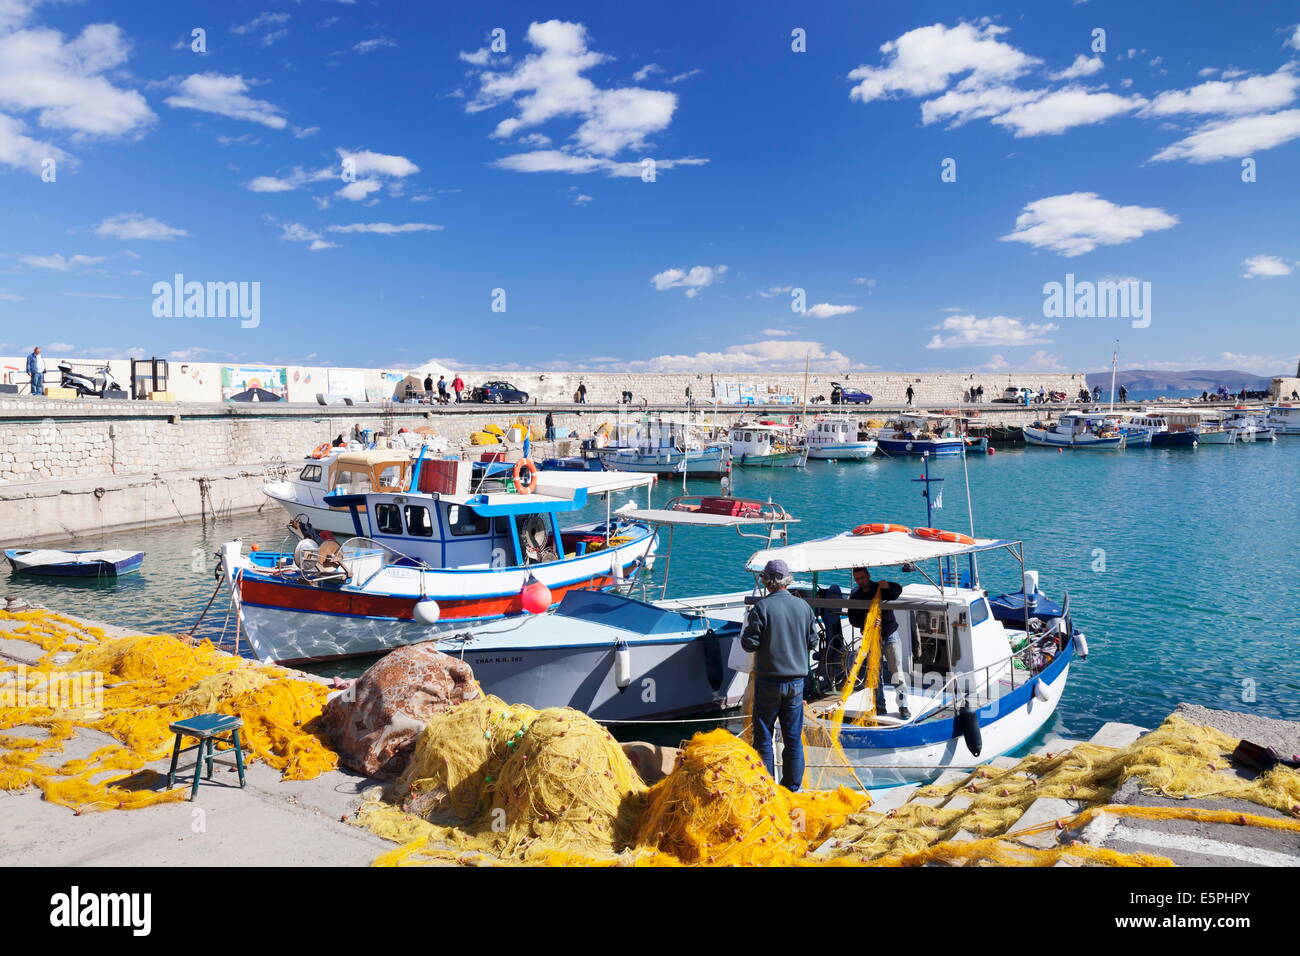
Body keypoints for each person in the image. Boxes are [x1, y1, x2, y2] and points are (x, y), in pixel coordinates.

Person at [740, 559, 818, 791]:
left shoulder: (761, 608)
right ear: (787, 580)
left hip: (769, 681)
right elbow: (813, 641)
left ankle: (766, 789)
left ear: (767, 581)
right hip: (796, 683)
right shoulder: (804, 607)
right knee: (793, 739)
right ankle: (791, 788)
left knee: (764, 737)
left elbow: (749, 645)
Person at [848, 567, 909, 718]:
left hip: (889, 635)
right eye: (857, 579)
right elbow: (853, 619)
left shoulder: (880, 588)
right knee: (874, 673)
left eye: (862, 577)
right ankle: (879, 706)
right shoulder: (855, 596)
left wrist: (888, 585)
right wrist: (868, 620)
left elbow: (897, 591)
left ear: (868, 575)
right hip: (870, 638)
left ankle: (903, 706)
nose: (860, 581)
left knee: (897, 671)